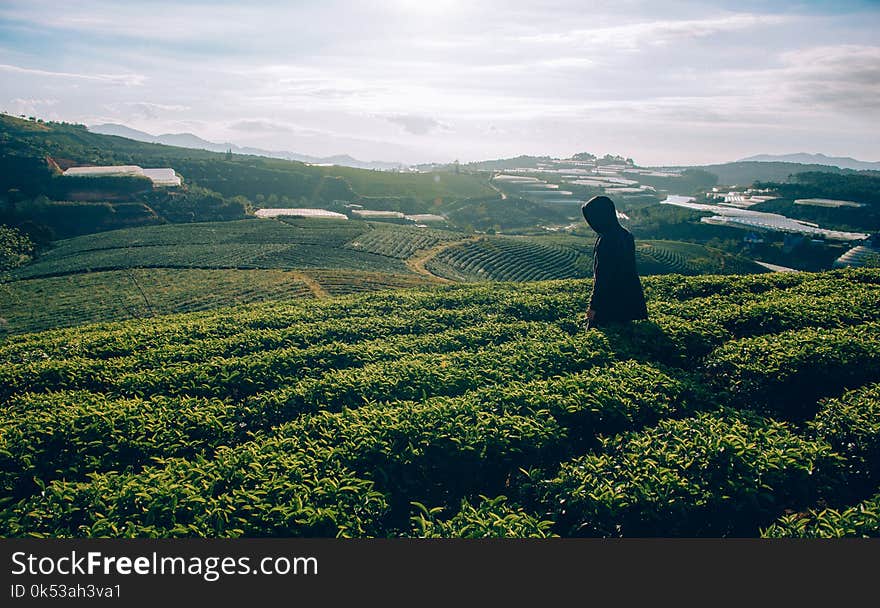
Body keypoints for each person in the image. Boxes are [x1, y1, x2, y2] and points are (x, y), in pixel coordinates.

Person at [581, 195, 648, 329]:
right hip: (628, 303)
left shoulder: (606, 241)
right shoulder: (625, 235)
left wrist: (593, 307)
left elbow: (603, 278)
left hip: (609, 306)